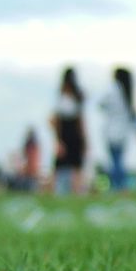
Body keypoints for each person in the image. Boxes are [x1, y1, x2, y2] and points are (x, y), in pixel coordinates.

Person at [98, 67, 136, 191]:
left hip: (112, 131)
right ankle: (121, 185)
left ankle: (116, 186)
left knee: (115, 161)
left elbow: (100, 103)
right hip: (123, 132)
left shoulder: (113, 88)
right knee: (120, 160)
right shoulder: (127, 91)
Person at [51, 66, 87, 195]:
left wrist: (58, 139)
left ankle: (65, 192)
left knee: (63, 166)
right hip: (73, 135)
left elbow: (55, 120)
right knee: (73, 166)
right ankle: (77, 192)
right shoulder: (76, 97)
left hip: (66, 134)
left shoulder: (62, 96)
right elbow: (80, 122)